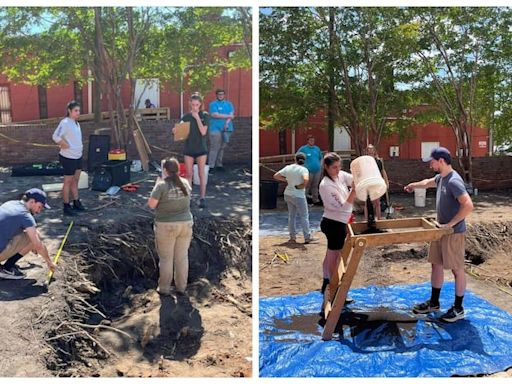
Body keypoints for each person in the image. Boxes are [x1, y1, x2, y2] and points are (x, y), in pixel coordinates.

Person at [404, 147, 473, 322]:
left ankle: (458, 308)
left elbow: (468, 205)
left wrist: (450, 224)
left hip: (453, 233)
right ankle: (434, 303)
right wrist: (413, 185)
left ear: (441, 161)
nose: (431, 165)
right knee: (436, 264)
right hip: (439, 231)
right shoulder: (441, 178)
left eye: (432, 162)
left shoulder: (454, 181)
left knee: (457, 270)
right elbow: (428, 182)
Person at [148, 157, 193, 296]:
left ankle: (164, 289)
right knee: (182, 257)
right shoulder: (185, 183)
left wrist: (156, 185)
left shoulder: (161, 186)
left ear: (165, 170)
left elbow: (151, 205)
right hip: (185, 224)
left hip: (166, 225)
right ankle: (181, 287)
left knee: (166, 258)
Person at [319, 152, 356, 295]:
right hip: (333, 223)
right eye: (334, 167)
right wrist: (354, 191)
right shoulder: (325, 185)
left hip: (340, 222)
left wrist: (359, 180)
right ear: (327, 167)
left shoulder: (339, 175)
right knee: (335, 257)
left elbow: (352, 178)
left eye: (339, 166)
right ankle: (332, 286)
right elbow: (343, 207)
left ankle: (327, 282)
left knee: (332, 255)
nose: (338, 170)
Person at [0, 189, 57, 279]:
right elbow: (38, 245)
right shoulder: (25, 215)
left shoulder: (10, 204)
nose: (39, 211)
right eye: (39, 207)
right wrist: (49, 262)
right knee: (34, 238)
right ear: (32, 201)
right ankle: (7, 268)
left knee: (31, 234)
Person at [173, 94, 209, 209]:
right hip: (189, 148)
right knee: (188, 174)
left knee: (201, 173)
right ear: (190, 104)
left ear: (200, 105)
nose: (195, 107)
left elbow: (203, 132)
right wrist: (175, 131)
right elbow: (180, 131)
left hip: (201, 149)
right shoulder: (186, 117)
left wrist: (197, 117)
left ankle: (202, 198)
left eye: (197, 105)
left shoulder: (205, 115)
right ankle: (188, 198)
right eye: (193, 105)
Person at [273, 153, 317, 244]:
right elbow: (306, 179)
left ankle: (292, 237)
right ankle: (307, 237)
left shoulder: (288, 167)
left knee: (291, 216)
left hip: (288, 194)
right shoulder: (304, 169)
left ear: (295, 159)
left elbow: (276, 176)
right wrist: (302, 186)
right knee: (304, 216)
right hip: (298, 195)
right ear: (304, 160)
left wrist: (286, 180)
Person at [52, 100, 85, 216]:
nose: (78, 113)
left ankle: (76, 201)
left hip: (78, 156)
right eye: (75, 110)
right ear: (69, 111)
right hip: (68, 157)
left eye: (79, 111)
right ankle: (66, 205)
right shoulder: (65, 122)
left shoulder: (77, 123)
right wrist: (63, 143)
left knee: (75, 180)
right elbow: (55, 136)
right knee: (68, 181)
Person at [208, 89, 234, 174]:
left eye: (222, 94)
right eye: (219, 94)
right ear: (216, 95)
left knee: (222, 147)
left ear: (224, 95)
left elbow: (232, 115)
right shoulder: (213, 104)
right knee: (214, 147)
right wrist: (228, 116)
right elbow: (214, 115)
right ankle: (211, 166)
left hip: (227, 129)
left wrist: (226, 123)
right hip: (215, 129)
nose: (221, 95)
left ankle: (219, 165)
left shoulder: (229, 104)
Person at [364, 144, 389, 220]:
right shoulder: (364, 161)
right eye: (369, 150)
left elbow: (383, 171)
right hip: (367, 184)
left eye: (372, 149)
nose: (370, 151)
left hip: (376, 183)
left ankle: (379, 219)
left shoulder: (378, 161)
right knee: (366, 203)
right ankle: (366, 219)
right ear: (367, 151)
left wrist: (386, 182)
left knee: (377, 202)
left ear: (374, 151)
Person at [297, 135, 323, 205]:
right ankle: (304, 200)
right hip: (308, 171)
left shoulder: (317, 149)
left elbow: (321, 158)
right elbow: (298, 157)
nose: (312, 142)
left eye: (313, 140)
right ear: (308, 141)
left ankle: (315, 200)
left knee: (315, 185)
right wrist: (302, 166)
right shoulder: (303, 149)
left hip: (317, 170)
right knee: (307, 185)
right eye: (311, 140)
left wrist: (320, 165)